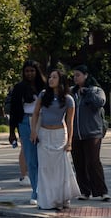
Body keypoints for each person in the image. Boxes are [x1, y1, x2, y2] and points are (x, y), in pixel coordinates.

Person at [31, 68, 80, 210]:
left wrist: (69, 142)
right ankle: (46, 200)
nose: (51, 79)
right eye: (50, 77)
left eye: (54, 77)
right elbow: (35, 113)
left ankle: (61, 199)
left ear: (61, 81)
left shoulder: (69, 99)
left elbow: (70, 122)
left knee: (60, 169)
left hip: (60, 135)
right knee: (45, 168)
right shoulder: (43, 94)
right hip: (44, 134)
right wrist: (34, 131)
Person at [7, 59, 47, 202]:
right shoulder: (19, 87)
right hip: (25, 122)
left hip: (43, 122)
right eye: (27, 71)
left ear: (37, 71)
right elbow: (14, 110)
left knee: (44, 158)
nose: (29, 73)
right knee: (31, 159)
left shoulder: (45, 86)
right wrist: (12, 132)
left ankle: (46, 189)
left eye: (32, 70)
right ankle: (35, 192)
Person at [71, 64, 110, 201]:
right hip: (75, 134)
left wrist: (88, 93)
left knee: (93, 162)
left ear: (86, 75)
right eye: (74, 75)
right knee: (78, 163)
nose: (75, 78)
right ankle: (84, 192)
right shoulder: (72, 92)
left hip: (93, 133)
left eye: (78, 75)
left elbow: (101, 102)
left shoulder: (96, 90)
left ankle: (102, 191)